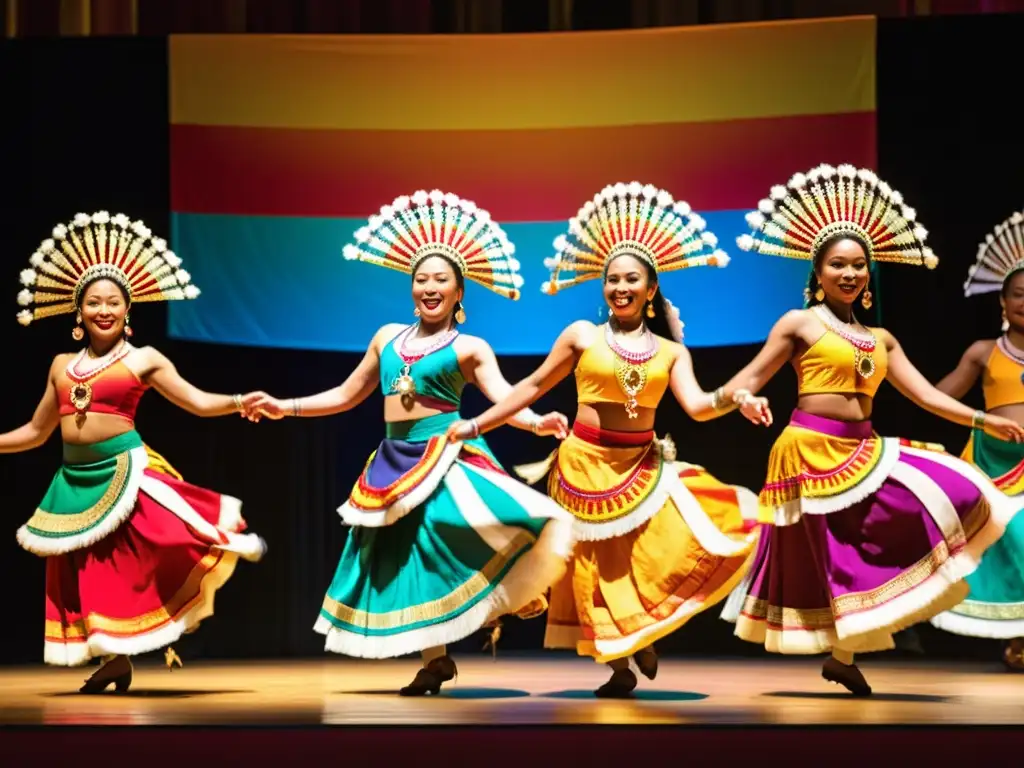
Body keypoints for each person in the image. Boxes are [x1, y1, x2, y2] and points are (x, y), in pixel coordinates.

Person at [246, 190, 575, 696]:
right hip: (392, 460)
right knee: (408, 558)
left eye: (441, 279)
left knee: (452, 538)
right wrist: (284, 406)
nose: (429, 286)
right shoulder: (386, 338)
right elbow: (344, 394)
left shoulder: (469, 347)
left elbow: (506, 397)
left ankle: (503, 599)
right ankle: (436, 660)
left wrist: (536, 424)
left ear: (460, 291)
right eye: (421, 278)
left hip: (444, 454)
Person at [445, 181, 763, 698]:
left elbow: (700, 407)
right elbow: (529, 386)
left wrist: (736, 398)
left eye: (631, 279)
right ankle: (619, 666)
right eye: (612, 279)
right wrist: (480, 423)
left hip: (642, 464)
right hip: (583, 466)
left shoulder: (670, 352)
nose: (620, 287)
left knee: (656, 553)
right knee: (595, 573)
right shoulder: (581, 336)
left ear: (650, 288)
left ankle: (642, 633)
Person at [714, 164, 1023, 695]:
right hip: (809, 451)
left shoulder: (881, 337)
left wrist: (983, 417)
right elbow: (747, 380)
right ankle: (841, 649)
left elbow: (926, 395)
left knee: (946, 495)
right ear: (818, 270)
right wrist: (745, 399)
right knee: (831, 555)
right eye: (839, 265)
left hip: (863, 450)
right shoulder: (799, 323)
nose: (851, 274)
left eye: (859, 265)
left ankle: (843, 653)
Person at [6, 211, 267, 693]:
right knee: (85, 571)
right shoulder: (62, 365)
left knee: (146, 553)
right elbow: (36, 432)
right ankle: (114, 659)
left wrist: (236, 402)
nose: (103, 310)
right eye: (93, 302)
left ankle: (123, 652)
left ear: (128, 309)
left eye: (113, 302)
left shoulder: (143, 359)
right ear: (77, 312)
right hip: (74, 480)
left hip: (125, 473)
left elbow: (195, 401)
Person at [929, 208, 1024, 669]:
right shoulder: (983, 352)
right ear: (1002, 303)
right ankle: (1016, 636)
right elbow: (937, 398)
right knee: (1008, 544)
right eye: (1019, 295)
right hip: (995, 460)